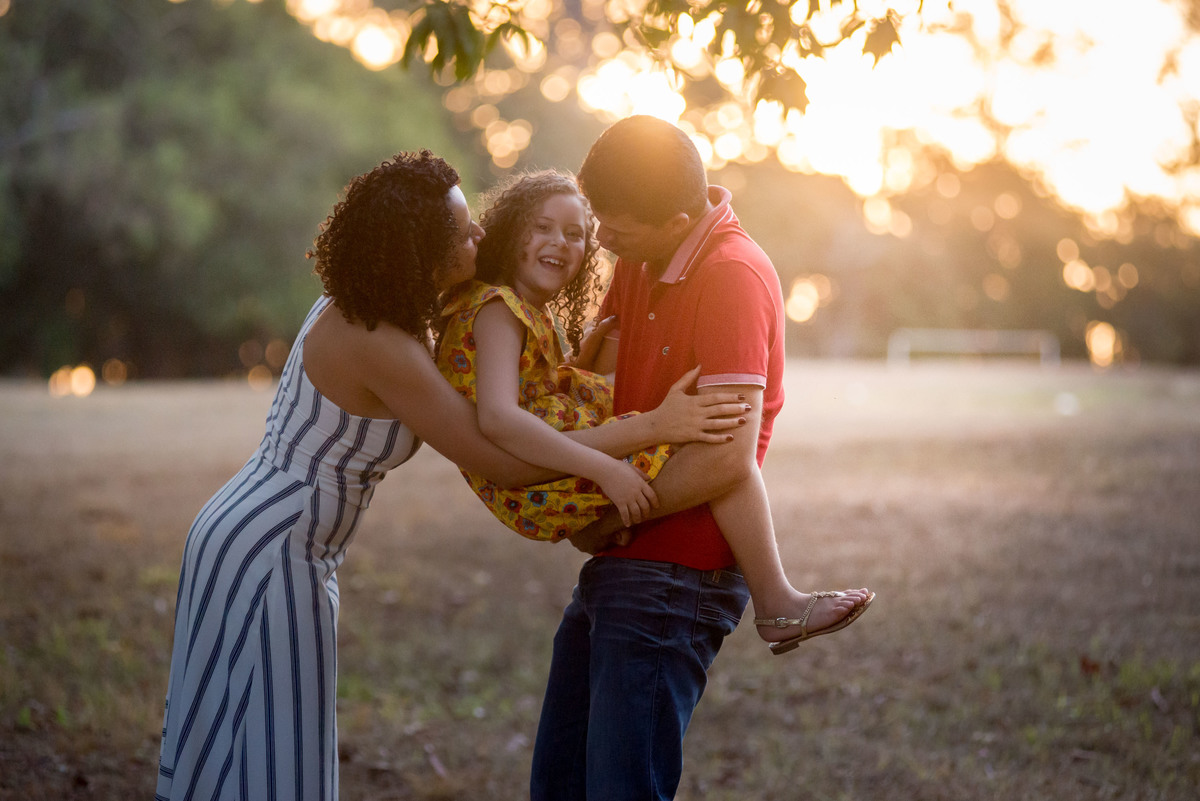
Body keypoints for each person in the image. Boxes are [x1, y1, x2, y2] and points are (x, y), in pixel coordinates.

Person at [154, 151, 737, 801]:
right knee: (262, 741)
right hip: (267, 545)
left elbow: (520, 386)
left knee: (263, 736)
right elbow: (503, 460)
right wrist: (645, 429)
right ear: (422, 245)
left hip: (278, 536)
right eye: (462, 232)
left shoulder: (382, 311)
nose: (480, 236)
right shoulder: (382, 341)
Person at [528, 117, 874, 801]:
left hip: (674, 577)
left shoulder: (732, 277)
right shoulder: (640, 257)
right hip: (621, 564)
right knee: (558, 785)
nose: (602, 236)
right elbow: (598, 379)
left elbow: (725, 459)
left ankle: (780, 599)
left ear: (678, 218)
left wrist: (611, 517)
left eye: (615, 223)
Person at [435, 168, 870, 652]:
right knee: (711, 434)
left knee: (699, 428)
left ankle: (775, 598)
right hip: (534, 466)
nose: (564, 241)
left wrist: (585, 364)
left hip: (541, 457)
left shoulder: (520, 310)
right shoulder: (498, 308)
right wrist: (612, 467)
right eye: (542, 227)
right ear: (509, 228)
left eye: (574, 233)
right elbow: (500, 417)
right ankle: (777, 599)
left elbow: (537, 390)